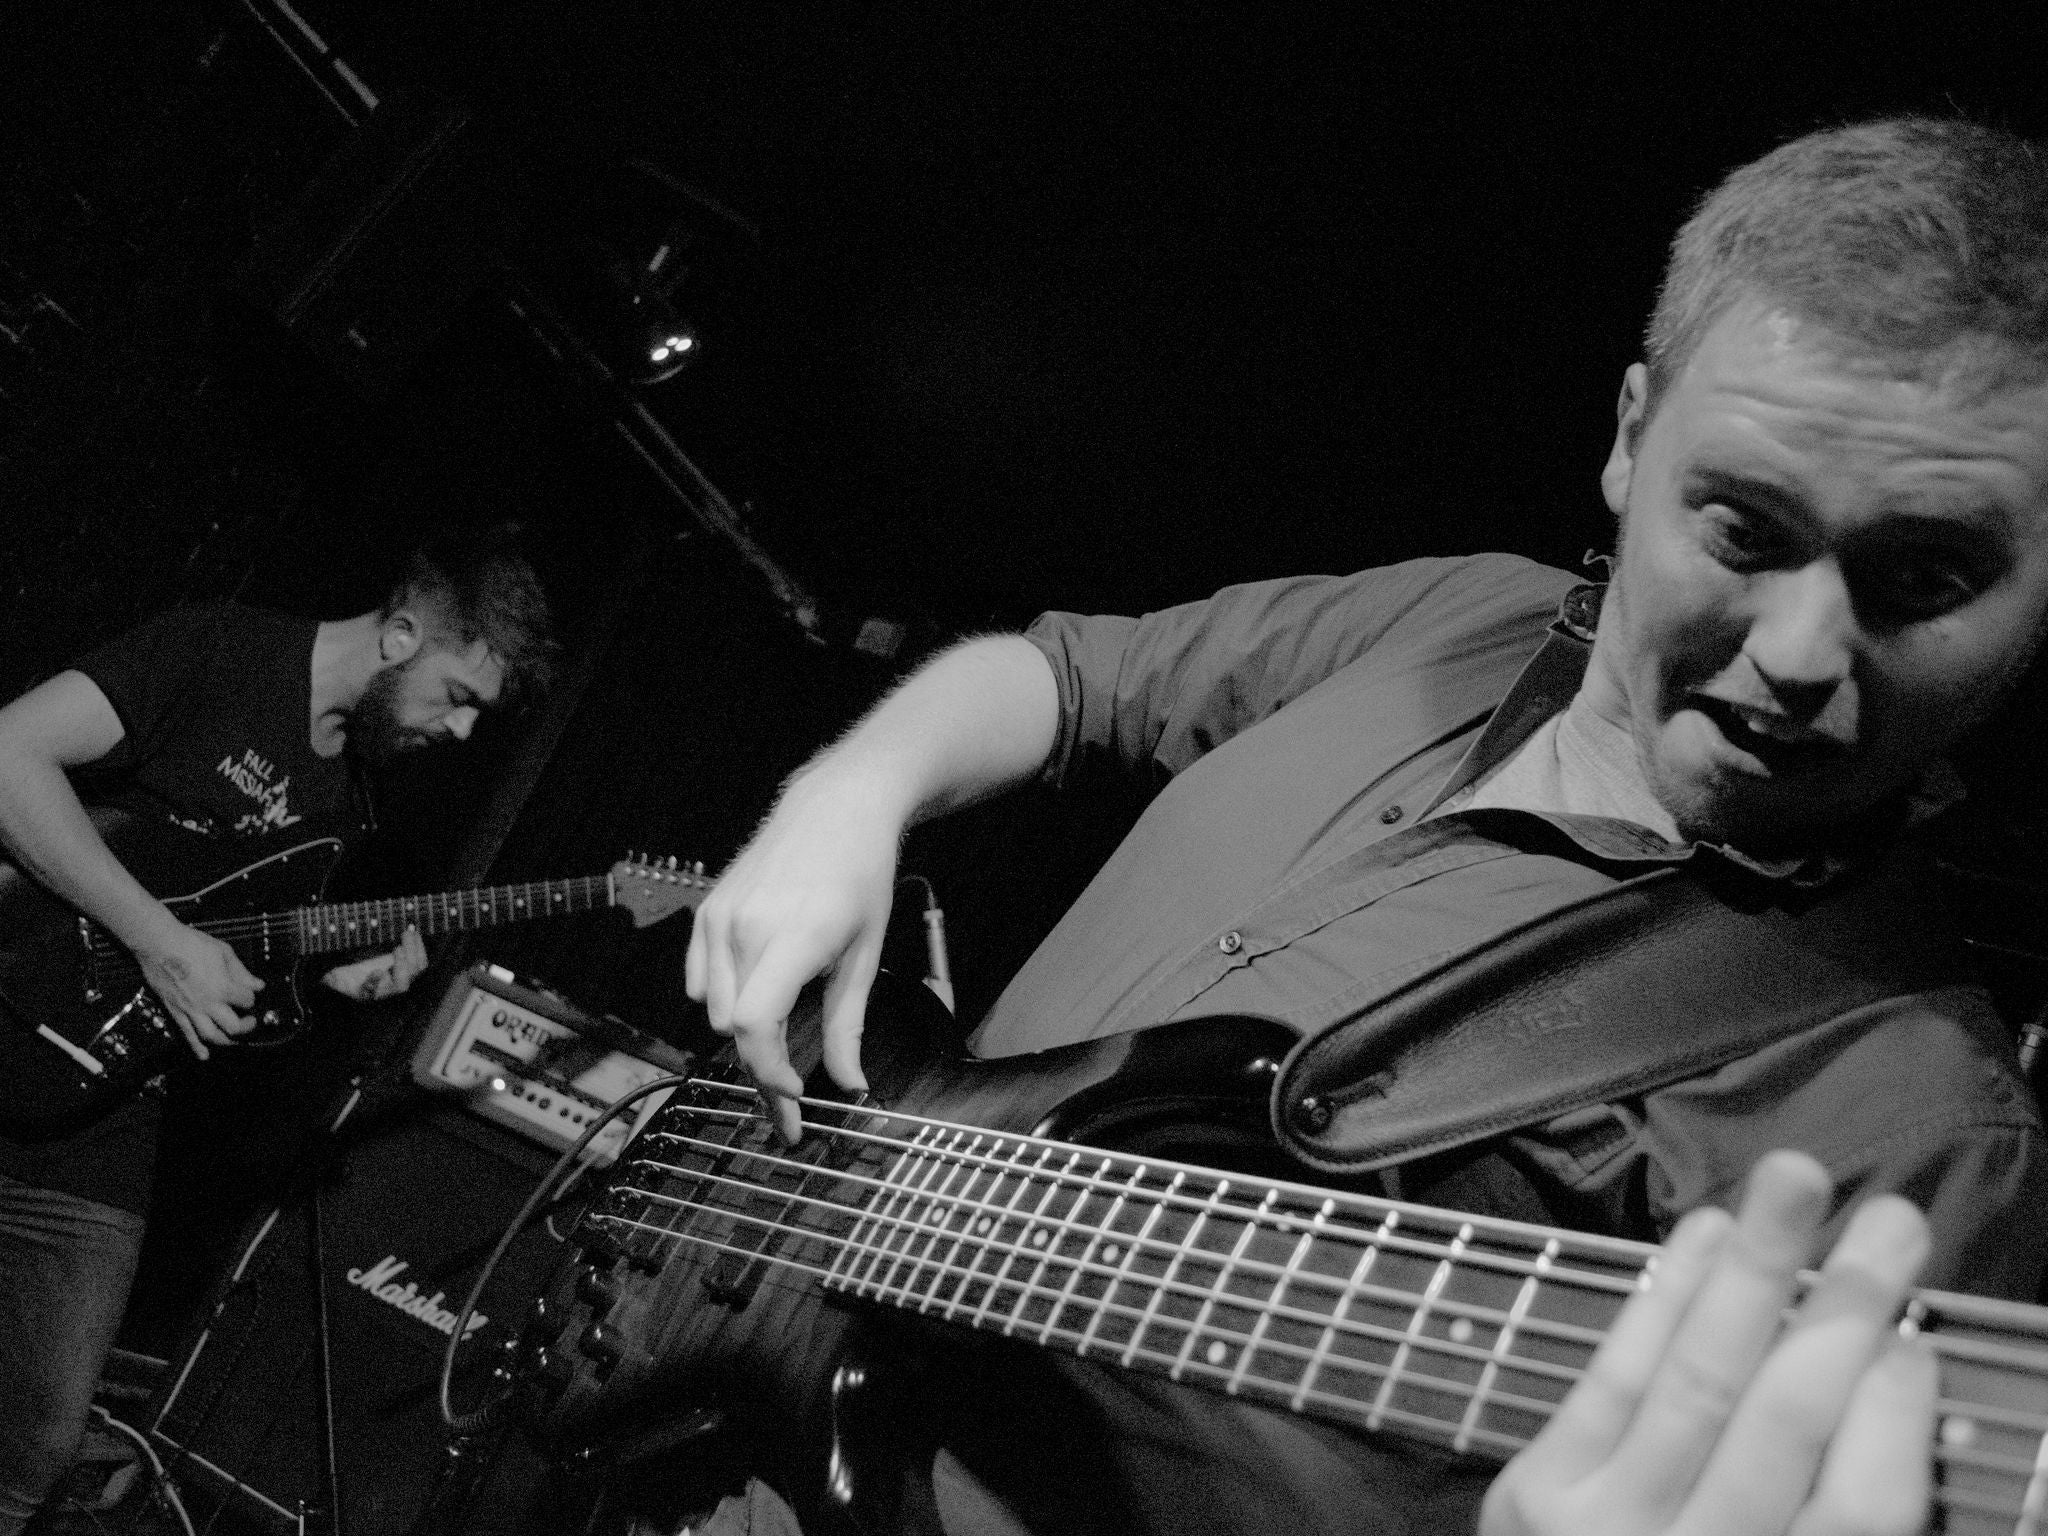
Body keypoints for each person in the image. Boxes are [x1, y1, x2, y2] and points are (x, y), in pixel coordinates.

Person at [683, 116, 2048, 1533]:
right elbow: (1071, 677)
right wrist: (846, 797)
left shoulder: (1924, 1134)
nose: (1805, 649)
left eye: (1928, 573)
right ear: (1633, 443)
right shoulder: (1464, 614)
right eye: (1748, 531)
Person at [0, 523, 556, 1533]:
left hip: (103, 1099)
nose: (463, 734)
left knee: (37, 1436)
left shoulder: (348, 807)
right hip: (11, 988)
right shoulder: (217, 650)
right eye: (459, 698)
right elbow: (7, 755)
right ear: (399, 636)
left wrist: (333, 974)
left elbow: (227, 940)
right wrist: (157, 938)